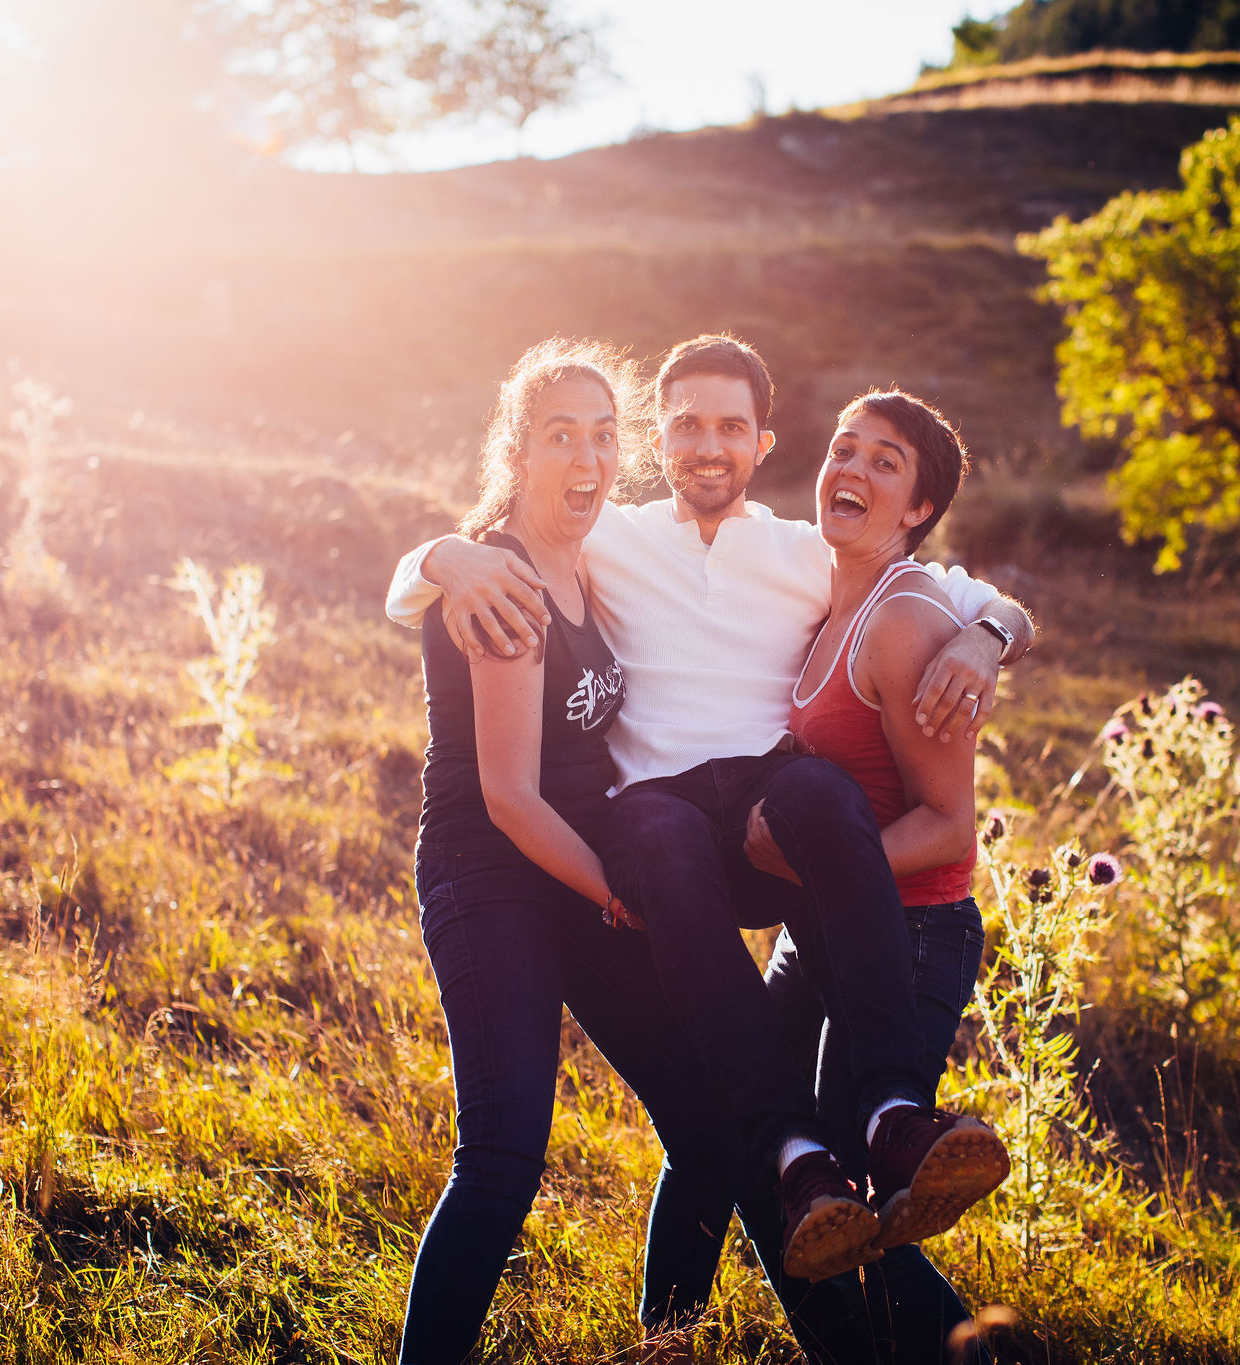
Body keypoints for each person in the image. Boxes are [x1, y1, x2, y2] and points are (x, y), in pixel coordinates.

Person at [388, 336, 1034, 1292]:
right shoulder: (608, 532)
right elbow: (444, 565)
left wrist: (985, 635)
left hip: (759, 809)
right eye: (686, 423)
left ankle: (893, 1110)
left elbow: (971, 593)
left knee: (822, 793)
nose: (708, 444)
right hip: (656, 821)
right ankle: (792, 1155)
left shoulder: (806, 551)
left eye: (732, 425)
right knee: (650, 832)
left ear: (764, 441)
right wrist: (444, 556)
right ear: (658, 438)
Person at [402, 339, 739, 1365]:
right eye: (559, 436)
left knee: (710, 1124)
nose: (585, 458)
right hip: (492, 873)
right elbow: (507, 796)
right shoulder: (503, 578)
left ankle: (663, 1344)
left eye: (603, 436)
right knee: (503, 1158)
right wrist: (615, 894)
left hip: (580, 873)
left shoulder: (588, 558)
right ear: (518, 448)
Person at [741, 389, 997, 1364]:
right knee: (770, 1141)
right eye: (842, 448)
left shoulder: (901, 624)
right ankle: (679, 1330)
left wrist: (820, 874)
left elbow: (947, 829)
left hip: (911, 932)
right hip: (822, 930)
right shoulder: (824, 603)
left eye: (883, 461)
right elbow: (995, 604)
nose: (849, 468)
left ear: (918, 509)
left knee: (868, 1184)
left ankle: (965, 1348)